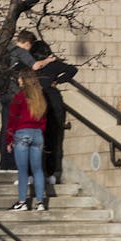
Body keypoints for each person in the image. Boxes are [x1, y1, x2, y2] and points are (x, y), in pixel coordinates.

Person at [0, 30, 54, 172]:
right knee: (14, 128)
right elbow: (35, 66)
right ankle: (12, 163)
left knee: (5, 127)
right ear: (27, 43)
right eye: (30, 47)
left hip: (2, 93)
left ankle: (4, 163)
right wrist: (48, 60)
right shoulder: (21, 52)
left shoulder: (5, 50)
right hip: (14, 94)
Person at [30, 37, 76, 190]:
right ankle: (52, 173)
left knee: (35, 140)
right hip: (54, 102)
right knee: (54, 140)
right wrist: (58, 81)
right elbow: (72, 69)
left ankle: (33, 173)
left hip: (37, 103)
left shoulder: (31, 66)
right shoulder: (53, 64)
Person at [5, 69, 49, 211]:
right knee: (38, 170)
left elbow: (12, 118)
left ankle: (22, 202)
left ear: (24, 80)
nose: (18, 81)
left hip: (22, 133)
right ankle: (40, 202)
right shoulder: (40, 97)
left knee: (23, 170)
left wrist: (9, 138)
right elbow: (43, 119)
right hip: (38, 135)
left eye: (20, 79)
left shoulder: (19, 96)